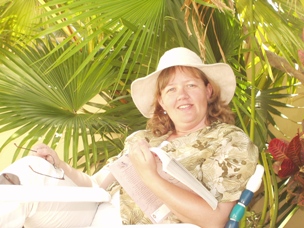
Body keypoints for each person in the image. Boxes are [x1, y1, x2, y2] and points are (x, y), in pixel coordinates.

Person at [0, 47, 259, 227]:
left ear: (208, 90)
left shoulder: (229, 140)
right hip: (92, 213)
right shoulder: (144, 138)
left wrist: (149, 175)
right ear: (161, 101)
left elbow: (215, 221)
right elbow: (96, 186)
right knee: (29, 170)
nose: (181, 95)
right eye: (171, 89)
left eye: (191, 85)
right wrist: (61, 166)